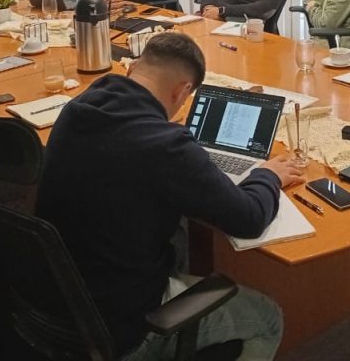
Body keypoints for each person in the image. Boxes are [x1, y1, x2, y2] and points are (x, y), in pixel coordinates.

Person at [36, 32, 302, 359]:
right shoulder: (165, 144)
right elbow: (248, 219)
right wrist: (267, 175)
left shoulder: (78, 108)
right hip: (119, 323)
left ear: (132, 68)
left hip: (56, 296)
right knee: (268, 319)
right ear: (182, 91)